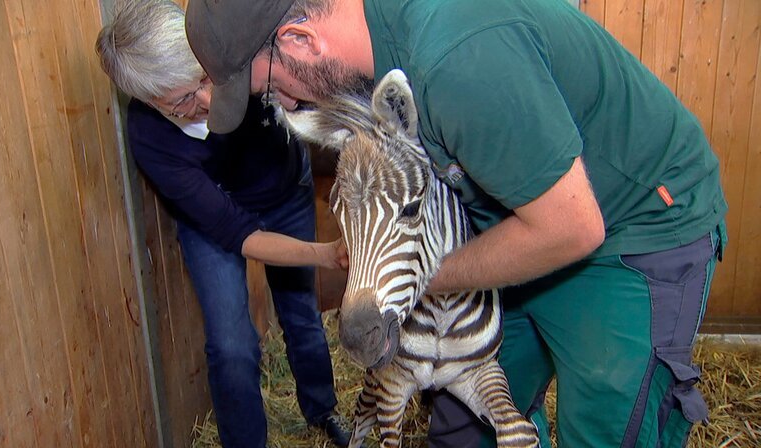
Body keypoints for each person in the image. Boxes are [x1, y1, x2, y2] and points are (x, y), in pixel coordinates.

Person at [185, 0, 729, 447]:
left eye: (272, 86)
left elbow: (570, 228)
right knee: (467, 428)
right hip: (514, 223)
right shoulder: (379, 44)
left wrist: (420, 275)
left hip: (632, 229)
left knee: (609, 432)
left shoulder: (456, 57)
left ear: (301, 40)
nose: (285, 103)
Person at [94, 1, 352, 447]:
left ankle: (322, 409)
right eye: (181, 101)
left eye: (202, 79)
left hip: (284, 187)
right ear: (150, 101)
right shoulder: (151, 139)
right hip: (218, 219)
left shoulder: (235, 55)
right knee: (231, 345)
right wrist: (325, 253)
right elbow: (241, 235)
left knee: (302, 315)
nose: (210, 101)